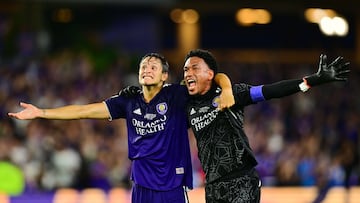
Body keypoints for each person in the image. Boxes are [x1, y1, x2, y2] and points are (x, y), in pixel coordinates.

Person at [8, 52, 235, 203]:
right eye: (143, 66)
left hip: (172, 187)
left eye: (153, 66)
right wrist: (42, 113)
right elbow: (83, 111)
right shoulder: (126, 101)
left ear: (165, 75)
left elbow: (216, 77)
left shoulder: (177, 94)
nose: (147, 69)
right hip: (141, 186)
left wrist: (226, 91)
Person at [182, 49, 350, 203]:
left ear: (210, 73)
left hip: (242, 181)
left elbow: (270, 91)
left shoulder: (233, 94)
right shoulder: (187, 107)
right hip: (212, 186)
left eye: (194, 68)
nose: (188, 73)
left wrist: (312, 80)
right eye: (186, 70)